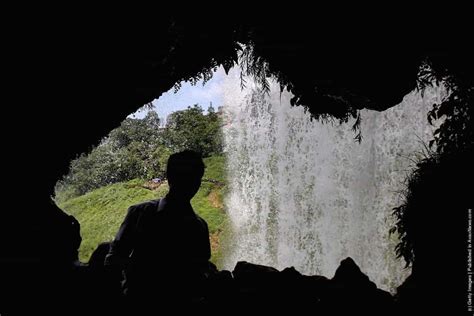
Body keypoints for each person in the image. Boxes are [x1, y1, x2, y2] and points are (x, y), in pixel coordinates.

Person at [104, 150, 214, 307]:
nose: (189, 183)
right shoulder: (198, 226)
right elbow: (113, 260)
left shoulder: (199, 227)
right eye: (184, 176)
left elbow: (201, 269)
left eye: (193, 177)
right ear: (170, 177)